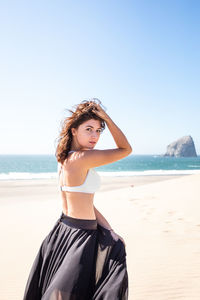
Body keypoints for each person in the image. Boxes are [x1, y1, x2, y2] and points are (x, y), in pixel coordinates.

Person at [23, 98, 132, 300]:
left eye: (99, 130)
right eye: (88, 129)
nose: (95, 136)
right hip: (80, 237)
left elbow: (86, 203)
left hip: (63, 231)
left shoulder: (63, 157)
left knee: (63, 294)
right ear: (74, 130)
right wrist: (106, 117)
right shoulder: (81, 158)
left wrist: (109, 230)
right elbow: (126, 149)